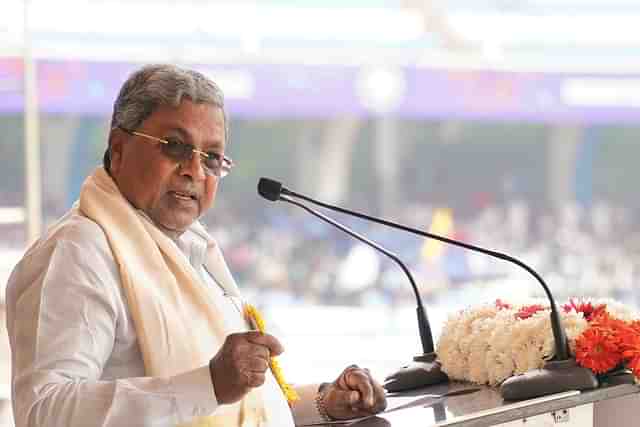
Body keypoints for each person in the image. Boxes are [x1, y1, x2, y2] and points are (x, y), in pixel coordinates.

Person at [6, 64, 387, 427]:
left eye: (212, 157)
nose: (194, 169)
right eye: (174, 146)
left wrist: (324, 404)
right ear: (118, 148)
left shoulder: (191, 248)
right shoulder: (80, 251)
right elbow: (45, 412)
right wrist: (208, 384)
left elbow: (233, 408)